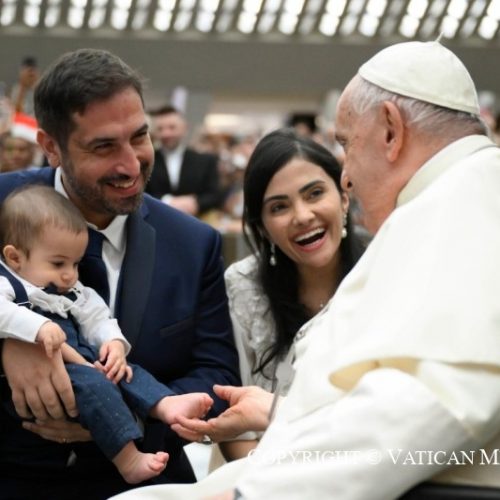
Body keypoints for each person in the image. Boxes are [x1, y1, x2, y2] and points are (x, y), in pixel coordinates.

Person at [110, 40, 500, 500]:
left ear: (392, 131)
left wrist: (253, 495)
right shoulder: (447, 199)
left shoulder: (466, 201)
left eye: (346, 144)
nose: (347, 176)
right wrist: (278, 413)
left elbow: (426, 407)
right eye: (279, 206)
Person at [0, 48, 240, 500]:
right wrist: (11, 343)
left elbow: (216, 373)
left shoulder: (193, 243)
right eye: (104, 146)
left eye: (139, 136)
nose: (131, 165)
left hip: (150, 477)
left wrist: (116, 417)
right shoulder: (3, 206)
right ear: (51, 147)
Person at [0, 184, 214, 484]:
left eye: (75, 263)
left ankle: (166, 405)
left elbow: (97, 316)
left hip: (83, 363)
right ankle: (128, 459)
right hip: (48, 393)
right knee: (95, 384)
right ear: (15, 257)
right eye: (58, 263)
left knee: (125, 372)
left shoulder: (71, 288)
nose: (70, 274)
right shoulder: (7, 284)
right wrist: (36, 328)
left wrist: (113, 343)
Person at [218, 128, 364, 461]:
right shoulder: (242, 287)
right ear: (262, 226)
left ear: (344, 197)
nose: (302, 216)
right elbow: (236, 430)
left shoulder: (382, 272)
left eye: (315, 194)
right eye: (279, 207)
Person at [146, 105, 221, 216]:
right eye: (160, 129)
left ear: (184, 128)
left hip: (195, 220)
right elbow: (142, 193)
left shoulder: (205, 160)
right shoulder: (147, 160)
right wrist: (168, 201)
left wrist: (195, 203)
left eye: (172, 128)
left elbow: (214, 195)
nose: (166, 134)